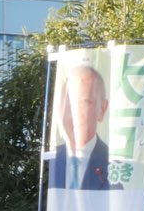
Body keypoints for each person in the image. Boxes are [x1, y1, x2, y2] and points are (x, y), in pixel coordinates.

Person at [46, 63, 119, 191]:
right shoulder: (49, 160)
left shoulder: (114, 164)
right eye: (67, 102)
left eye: (84, 102)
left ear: (102, 109)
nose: (72, 112)